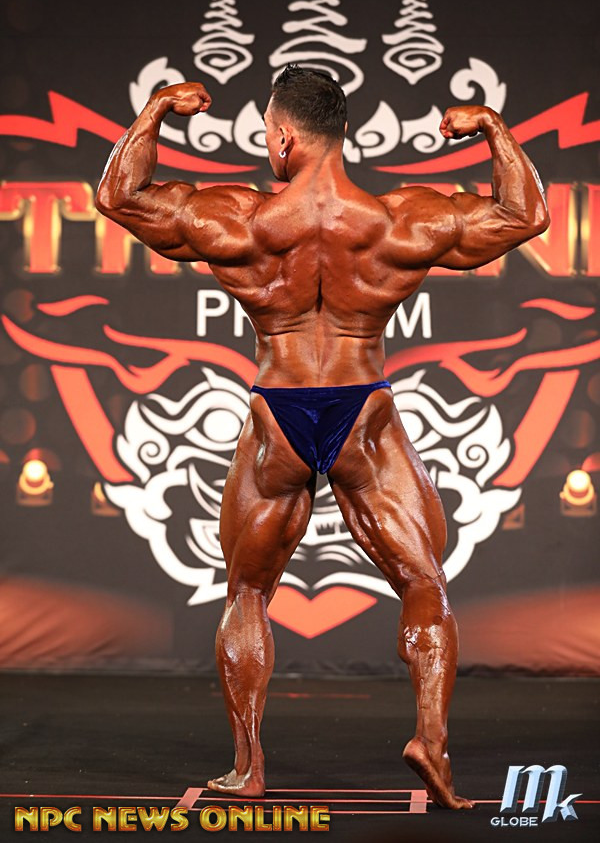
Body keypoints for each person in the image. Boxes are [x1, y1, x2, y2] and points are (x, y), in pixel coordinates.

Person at [95, 65, 549, 809]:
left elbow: (118, 195)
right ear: (343, 133)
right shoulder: (398, 222)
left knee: (247, 590)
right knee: (423, 583)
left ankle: (248, 767)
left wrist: (154, 112)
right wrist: (494, 130)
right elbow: (524, 216)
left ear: (283, 137)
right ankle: (430, 743)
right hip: (360, 406)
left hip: (278, 408)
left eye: (265, 134)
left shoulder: (241, 221)